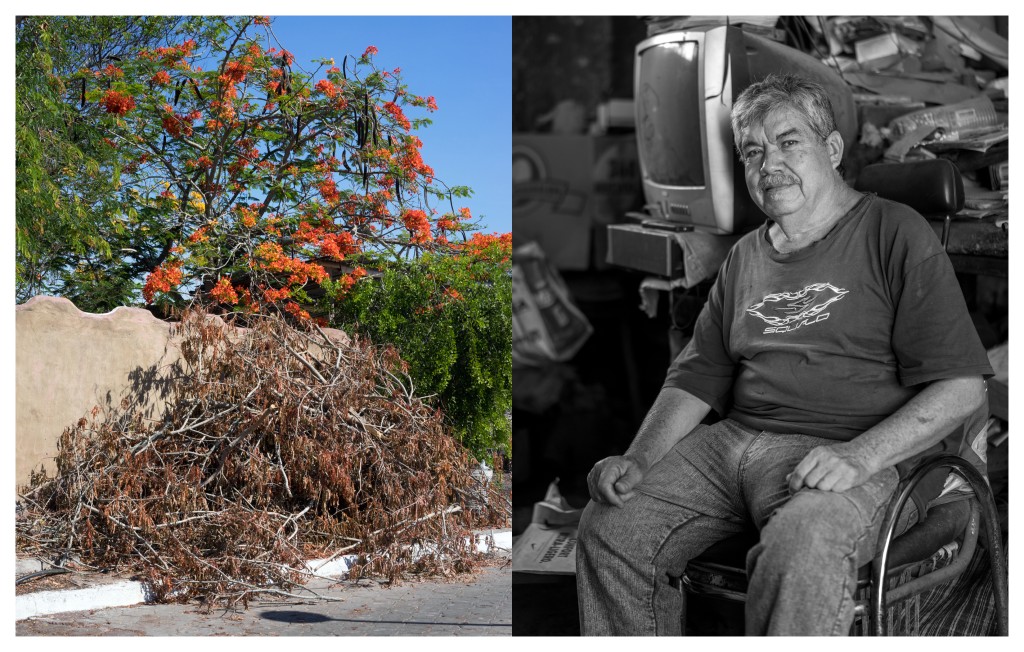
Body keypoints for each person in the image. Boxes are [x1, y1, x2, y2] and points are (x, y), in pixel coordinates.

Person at [575, 73, 993, 636]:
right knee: (609, 525)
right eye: (752, 151)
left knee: (805, 539)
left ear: (834, 149)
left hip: (848, 445)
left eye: (789, 142)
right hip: (731, 446)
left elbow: (963, 389)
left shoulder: (895, 233)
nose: (767, 163)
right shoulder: (746, 255)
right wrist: (639, 459)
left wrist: (860, 457)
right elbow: (695, 378)